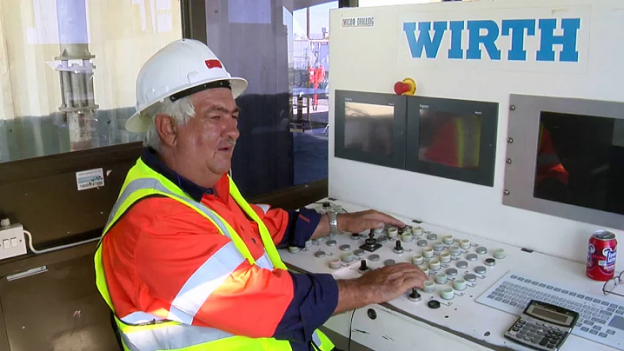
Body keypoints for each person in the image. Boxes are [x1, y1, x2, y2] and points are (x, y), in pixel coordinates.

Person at [94, 39, 427, 351]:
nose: (233, 130)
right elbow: (267, 303)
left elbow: (252, 225)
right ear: (168, 128)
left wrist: (338, 222)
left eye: (234, 116)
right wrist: (366, 287)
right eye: (215, 117)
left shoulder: (199, 184)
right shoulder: (153, 225)